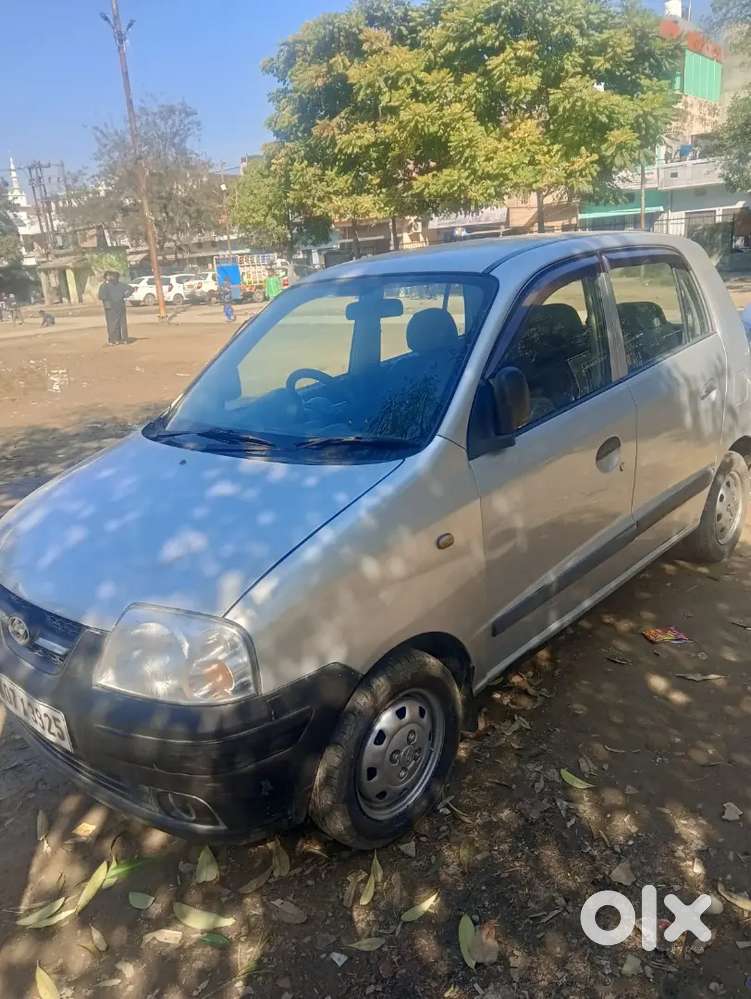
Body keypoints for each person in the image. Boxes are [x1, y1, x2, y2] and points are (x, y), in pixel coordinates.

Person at [98, 270, 132, 345]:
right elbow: (131, 289)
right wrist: (124, 295)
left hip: (110, 307)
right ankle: (123, 339)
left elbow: (101, 296)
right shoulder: (121, 284)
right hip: (120, 305)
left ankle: (113, 340)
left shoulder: (105, 285)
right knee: (122, 323)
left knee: (112, 324)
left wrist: (108, 299)